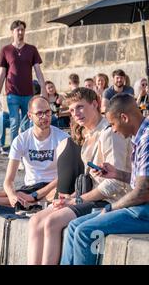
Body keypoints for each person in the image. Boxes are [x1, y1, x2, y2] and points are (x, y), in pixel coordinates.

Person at [27, 88, 131, 265]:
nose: (76, 113)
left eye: (80, 107)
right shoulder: (88, 135)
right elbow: (92, 180)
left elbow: (115, 184)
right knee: (36, 220)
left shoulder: (110, 133)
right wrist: (71, 197)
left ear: (95, 104)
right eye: (73, 109)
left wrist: (77, 200)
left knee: (51, 222)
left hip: (111, 201)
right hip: (92, 197)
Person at [61, 93, 149, 265]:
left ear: (124, 117)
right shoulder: (140, 137)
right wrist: (118, 174)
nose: (113, 129)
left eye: (113, 124)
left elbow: (142, 192)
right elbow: (144, 182)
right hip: (140, 208)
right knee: (73, 227)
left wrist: (110, 208)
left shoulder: (146, 140)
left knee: (85, 231)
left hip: (144, 211)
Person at [0, 96, 69, 211]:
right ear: (30, 116)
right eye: (39, 113)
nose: (45, 117)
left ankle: (32, 204)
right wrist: (12, 196)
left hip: (53, 187)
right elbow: (8, 180)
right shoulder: (21, 140)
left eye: (47, 112)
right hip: (30, 188)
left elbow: (64, 176)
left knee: (59, 194)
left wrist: (36, 195)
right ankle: (31, 204)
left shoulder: (63, 138)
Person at [0, 20, 47, 146]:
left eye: (22, 30)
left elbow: (38, 71)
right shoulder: (6, 50)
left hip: (28, 94)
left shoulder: (31, 49)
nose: (20, 32)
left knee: (26, 125)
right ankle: (15, 152)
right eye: (18, 30)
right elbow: (2, 73)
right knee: (14, 123)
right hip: (12, 93)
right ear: (12, 32)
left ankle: (25, 150)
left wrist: (43, 88)